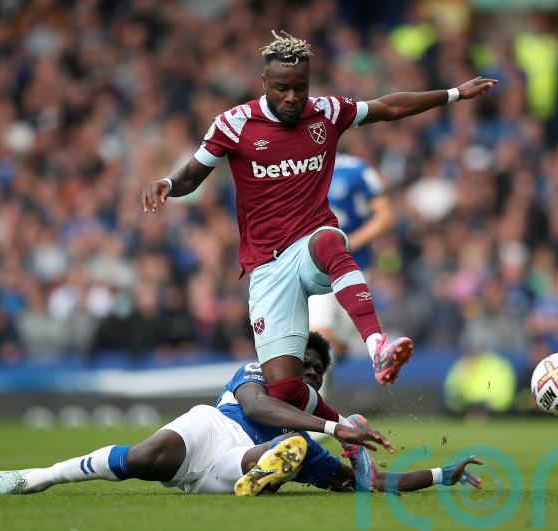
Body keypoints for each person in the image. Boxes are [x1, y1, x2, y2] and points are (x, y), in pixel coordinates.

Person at [142, 30, 497, 446]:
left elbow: (389, 106)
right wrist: (166, 182)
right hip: (267, 267)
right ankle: (348, 432)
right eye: (282, 88)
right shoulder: (235, 124)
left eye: (300, 87)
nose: (292, 97)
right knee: (285, 392)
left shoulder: (328, 112)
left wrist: (454, 93)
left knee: (331, 239)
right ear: (264, 84)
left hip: (311, 247)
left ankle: (377, 345)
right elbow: (191, 174)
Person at [0, 333, 482, 496]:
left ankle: (268, 468)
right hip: (212, 426)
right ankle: (39, 478)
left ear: (321, 377)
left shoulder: (317, 414)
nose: (304, 374)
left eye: (314, 369)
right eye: (300, 363)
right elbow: (257, 407)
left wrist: (440, 475)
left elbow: (363, 483)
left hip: (233, 462)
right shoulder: (257, 372)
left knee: (299, 451)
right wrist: (330, 427)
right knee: (145, 457)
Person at [309, 153, 393, 358]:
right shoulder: (295, 168)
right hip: (318, 266)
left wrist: (349, 242)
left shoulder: (356, 169)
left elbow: (385, 216)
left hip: (356, 267)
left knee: (339, 346)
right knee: (319, 335)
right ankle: (315, 388)